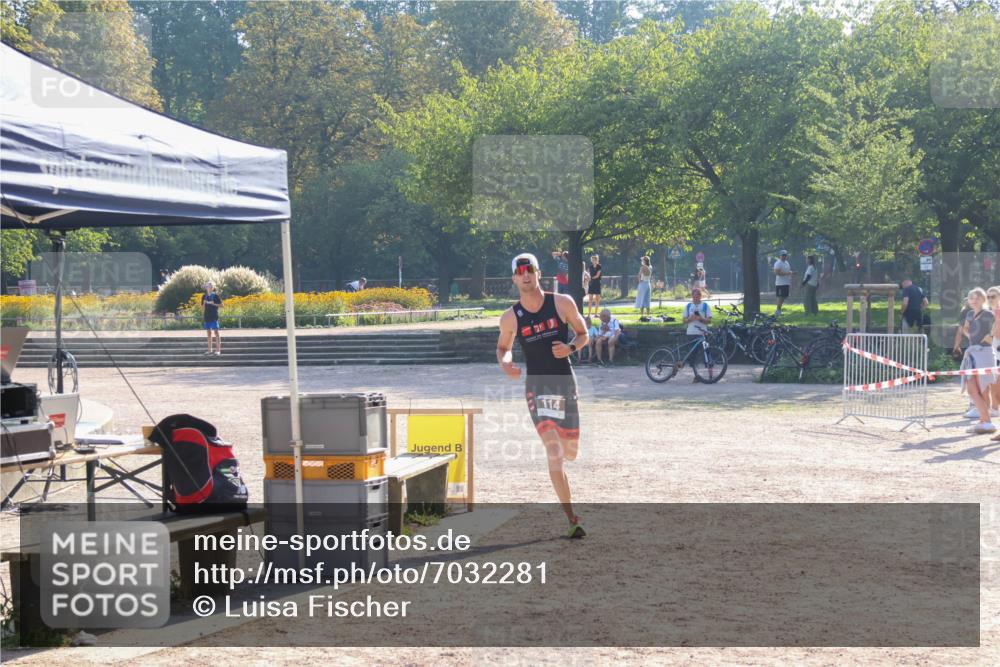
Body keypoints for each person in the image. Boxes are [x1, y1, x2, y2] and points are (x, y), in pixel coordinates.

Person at [497, 253, 589, 538]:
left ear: (538, 273)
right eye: (520, 272)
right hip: (537, 387)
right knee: (554, 452)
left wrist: (571, 348)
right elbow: (503, 347)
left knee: (570, 452)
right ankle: (571, 518)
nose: (525, 275)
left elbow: (583, 333)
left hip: (564, 382)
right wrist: (506, 362)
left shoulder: (562, 303)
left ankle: (567, 462)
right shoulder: (511, 317)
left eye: (530, 270)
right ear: (514, 278)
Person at [958, 288, 996, 433]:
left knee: (983, 388)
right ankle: (984, 420)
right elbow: (965, 328)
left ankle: (985, 421)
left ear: (983, 299)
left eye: (977, 298)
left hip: (985, 353)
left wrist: (989, 337)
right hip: (972, 352)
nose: (974, 300)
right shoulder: (969, 314)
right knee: (972, 389)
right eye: (971, 298)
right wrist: (970, 337)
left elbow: (995, 327)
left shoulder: (988, 314)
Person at [202, 282, 223, 356]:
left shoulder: (216, 295)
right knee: (208, 333)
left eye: (209, 286)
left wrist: (213, 304)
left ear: (212, 287)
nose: (208, 287)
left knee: (216, 332)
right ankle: (209, 350)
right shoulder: (204, 296)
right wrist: (204, 303)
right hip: (207, 316)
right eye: (207, 286)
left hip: (214, 316)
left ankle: (218, 350)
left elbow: (222, 305)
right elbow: (203, 308)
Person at [773, 250, 795, 315]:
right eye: (783, 255)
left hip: (786, 282)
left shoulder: (787, 263)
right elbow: (777, 272)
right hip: (780, 283)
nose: (784, 256)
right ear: (780, 256)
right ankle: (778, 310)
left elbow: (787, 271)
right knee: (780, 297)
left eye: (785, 255)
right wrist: (787, 273)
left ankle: (779, 309)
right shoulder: (778, 263)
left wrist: (791, 273)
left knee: (784, 297)